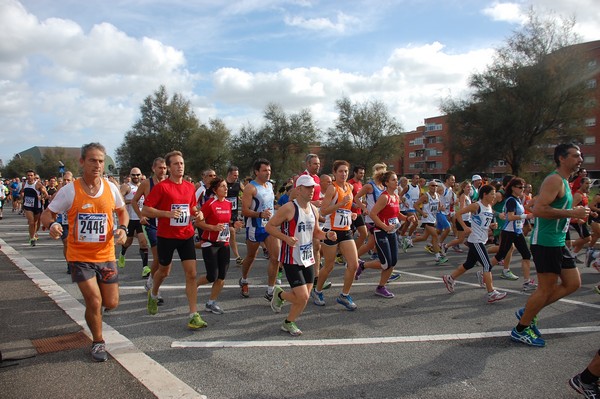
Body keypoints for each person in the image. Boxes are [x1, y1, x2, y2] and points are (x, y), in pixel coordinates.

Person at [41, 142, 128, 362]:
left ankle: (94, 314)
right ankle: (98, 342)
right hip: (80, 257)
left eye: (101, 161)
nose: (97, 165)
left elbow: (122, 211)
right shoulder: (70, 190)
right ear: (82, 162)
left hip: (106, 255)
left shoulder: (110, 188)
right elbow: (47, 215)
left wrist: (123, 228)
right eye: (92, 160)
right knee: (95, 301)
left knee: (111, 303)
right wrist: (52, 226)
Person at [510, 143, 590, 347]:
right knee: (545, 289)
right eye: (575, 156)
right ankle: (521, 328)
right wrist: (572, 213)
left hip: (558, 241)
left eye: (580, 156)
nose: (580, 159)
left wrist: (575, 217)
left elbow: (557, 210)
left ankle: (529, 310)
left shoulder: (565, 181)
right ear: (562, 158)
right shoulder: (554, 180)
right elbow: (539, 210)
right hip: (545, 242)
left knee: (573, 283)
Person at [142, 150, 207, 330]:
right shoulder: (162, 187)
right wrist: (166, 213)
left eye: (182, 163)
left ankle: (193, 314)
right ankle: (153, 293)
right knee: (164, 272)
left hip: (186, 235)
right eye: (176, 164)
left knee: (192, 274)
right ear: (169, 167)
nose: (180, 166)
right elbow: (146, 209)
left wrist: (198, 212)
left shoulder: (188, 186)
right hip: (166, 236)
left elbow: (192, 206)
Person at [266, 174, 334, 335]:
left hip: (308, 258)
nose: (311, 190)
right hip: (291, 258)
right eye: (308, 187)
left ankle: (288, 319)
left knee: (305, 296)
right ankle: (281, 297)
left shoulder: (313, 209)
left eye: (313, 187)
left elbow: (316, 231)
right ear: (299, 189)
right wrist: (285, 238)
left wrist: (327, 235)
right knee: (302, 297)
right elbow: (269, 227)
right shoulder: (289, 208)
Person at [354, 171, 416, 297]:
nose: (396, 181)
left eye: (396, 179)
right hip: (380, 231)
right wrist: (385, 226)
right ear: (386, 183)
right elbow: (373, 214)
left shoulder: (396, 197)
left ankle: (381, 287)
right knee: (386, 263)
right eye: (393, 180)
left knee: (393, 262)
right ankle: (363, 265)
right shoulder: (384, 197)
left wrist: (406, 218)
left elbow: (396, 214)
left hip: (392, 231)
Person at [442, 184, 508, 303]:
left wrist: (491, 226)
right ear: (485, 194)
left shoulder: (488, 207)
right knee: (487, 265)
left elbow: (482, 222)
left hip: (482, 239)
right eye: (492, 194)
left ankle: (450, 278)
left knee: (469, 264)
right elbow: (458, 214)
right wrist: (465, 227)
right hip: (475, 240)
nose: (494, 196)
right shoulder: (476, 205)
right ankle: (491, 292)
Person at [312, 160, 359, 310]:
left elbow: (346, 208)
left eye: (346, 171)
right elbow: (324, 211)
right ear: (334, 173)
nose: (344, 174)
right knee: (329, 266)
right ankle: (317, 291)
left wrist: (351, 214)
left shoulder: (350, 187)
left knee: (354, 264)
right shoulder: (333, 188)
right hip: (331, 231)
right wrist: (340, 204)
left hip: (345, 230)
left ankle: (344, 296)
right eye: (340, 171)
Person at [194, 177, 243, 314]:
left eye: (226, 186)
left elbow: (227, 223)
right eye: (222, 186)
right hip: (210, 244)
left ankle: (211, 303)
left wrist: (234, 225)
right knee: (212, 276)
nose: (226, 188)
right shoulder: (209, 204)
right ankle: (195, 285)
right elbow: (198, 223)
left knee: (221, 276)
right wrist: (212, 227)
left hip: (224, 243)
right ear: (215, 190)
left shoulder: (228, 204)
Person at [239, 159, 281, 300]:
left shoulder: (270, 185)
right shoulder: (251, 188)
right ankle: (244, 280)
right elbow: (244, 211)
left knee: (276, 257)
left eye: (269, 170)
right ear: (257, 172)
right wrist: (259, 214)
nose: (268, 173)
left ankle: (270, 290)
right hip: (254, 227)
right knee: (251, 256)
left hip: (270, 226)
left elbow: (270, 204)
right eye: (264, 170)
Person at [490, 177, 537, 292]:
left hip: (517, 231)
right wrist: (526, 216)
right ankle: (484, 272)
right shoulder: (510, 200)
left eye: (523, 187)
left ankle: (526, 282)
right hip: (509, 231)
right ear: (512, 188)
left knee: (526, 254)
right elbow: (510, 217)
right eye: (520, 187)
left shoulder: (517, 199)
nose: (523, 189)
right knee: (500, 254)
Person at [131, 157, 167, 303]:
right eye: (160, 168)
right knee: (158, 257)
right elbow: (134, 201)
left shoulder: (168, 183)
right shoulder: (147, 183)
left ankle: (150, 281)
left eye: (165, 168)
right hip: (151, 224)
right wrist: (140, 216)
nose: (163, 170)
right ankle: (154, 288)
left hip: (165, 223)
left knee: (163, 260)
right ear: (153, 169)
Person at [118, 168, 150, 278]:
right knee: (128, 242)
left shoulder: (144, 186)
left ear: (141, 175)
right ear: (130, 175)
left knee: (143, 242)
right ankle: (122, 253)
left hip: (141, 218)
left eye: (137, 175)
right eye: (133, 175)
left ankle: (145, 268)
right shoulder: (126, 186)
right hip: (130, 218)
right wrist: (131, 202)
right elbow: (119, 199)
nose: (135, 177)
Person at [413, 180, 448, 264]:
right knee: (435, 236)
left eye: (436, 186)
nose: (434, 187)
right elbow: (415, 205)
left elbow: (437, 208)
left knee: (424, 237)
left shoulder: (437, 195)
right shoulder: (425, 196)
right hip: (426, 220)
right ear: (429, 187)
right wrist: (422, 213)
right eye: (432, 186)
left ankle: (409, 241)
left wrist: (441, 208)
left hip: (433, 219)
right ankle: (438, 257)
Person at [21, 169, 48, 246]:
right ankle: (32, 238)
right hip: (27, 206)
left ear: (34, 176)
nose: (29, 177)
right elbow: (22, 191)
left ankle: (34, 233)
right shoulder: (24, 184)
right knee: (31, 222)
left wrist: (41, 197)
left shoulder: (38, 185)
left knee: (35, 223)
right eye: (28, 175)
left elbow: (46, 194)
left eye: (31, 175)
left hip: (37, 206)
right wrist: (22, 195)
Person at [225, 166, 244, 265]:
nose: (236, 177)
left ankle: (235, 256)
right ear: (229, 174)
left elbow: (246, 192)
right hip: (224, 212)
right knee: (231, 232)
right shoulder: (223, 184)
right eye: (234, 175)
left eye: (237, 175)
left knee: (232, 235)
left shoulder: (238, 183)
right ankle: (237, 256)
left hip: (234, 213)